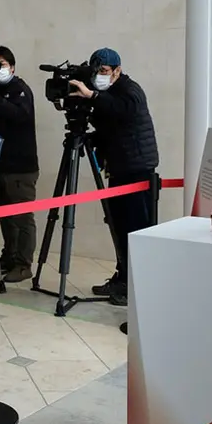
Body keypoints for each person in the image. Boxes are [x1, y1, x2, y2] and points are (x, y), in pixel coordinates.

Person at [69, 47, 159, 307]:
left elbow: (122, 111)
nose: (100, 76)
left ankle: (137, 287)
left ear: (117, 71)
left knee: (135, 228)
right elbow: (110, 126)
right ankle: (123, 278)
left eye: (105, 72)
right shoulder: (108, 93)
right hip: (120, 168)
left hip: (137, 169)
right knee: (119, 226)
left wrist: (93, 95)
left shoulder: (130, 91)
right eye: (97, 71)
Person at [0, 45, 39, 283]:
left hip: (21, 168)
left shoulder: (20, 89)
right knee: (5, 215)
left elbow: (20, 115)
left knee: (22, 218)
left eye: (1, 65)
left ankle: (24, 265)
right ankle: (9, 256)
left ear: (12, 67)